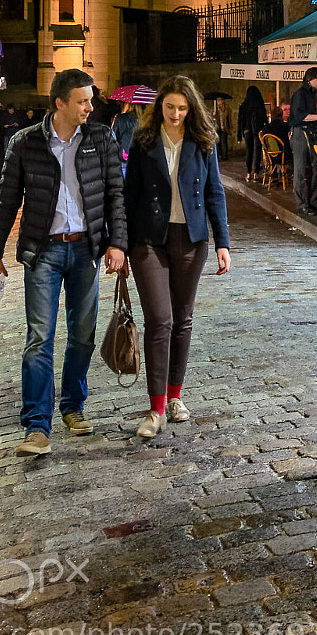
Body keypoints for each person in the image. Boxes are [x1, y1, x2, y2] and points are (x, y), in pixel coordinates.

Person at [0, 68, 128, 455]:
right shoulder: (25, 143)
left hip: (87, 249)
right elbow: (8, 201)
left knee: (82, 335)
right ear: (60, 103)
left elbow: (116, 194)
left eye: (90, 100)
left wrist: (118, 244)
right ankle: (36, 426)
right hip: (43, 251)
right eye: (82, 100)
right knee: (39, 338)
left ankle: (73, 407)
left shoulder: (102, 137)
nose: (90, 106)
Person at [123, 76, 230, 439]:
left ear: (191, 109)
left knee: (182, 319)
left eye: (182, 108)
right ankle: (154, 410)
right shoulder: (143, 140)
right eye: (169, 107)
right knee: (159, 319)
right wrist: (119, 243)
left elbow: (215, 192)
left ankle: (174, 398)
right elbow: (129, 193)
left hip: (191, 238)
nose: (175, 114)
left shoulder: (203, 142)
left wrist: (222, 242)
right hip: (148, 240)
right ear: (160, 106)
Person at [288, 68, 317, 214]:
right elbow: (300, 116)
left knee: (315, 168)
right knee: (300, 170)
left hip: (311, 133)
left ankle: (313, 202)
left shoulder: (313, 95)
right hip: (300, 133)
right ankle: (301, 205)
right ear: (309, 79)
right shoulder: (299, 94)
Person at [237, 85, 268, 181]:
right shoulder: (260, 105)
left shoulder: (243, 106)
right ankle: (255, 173)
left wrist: (239, 135)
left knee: (249, 151)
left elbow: (240, 121)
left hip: (247, 131)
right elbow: (264, 119)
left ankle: (248, 173)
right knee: (257, 152)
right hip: (257, 131)